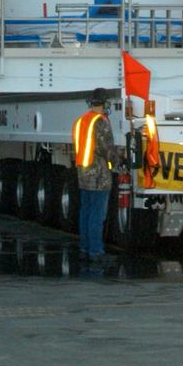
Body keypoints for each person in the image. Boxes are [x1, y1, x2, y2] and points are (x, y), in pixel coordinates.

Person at [73, 89, 117, 261]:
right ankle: (96, 251)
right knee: (97, 215)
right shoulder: (101, 122)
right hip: (99, 175)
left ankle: (85, 248)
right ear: (105, 103)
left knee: (86, 212)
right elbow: (106, 149)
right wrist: (120, 157)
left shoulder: (82, 120)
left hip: (84, 173)